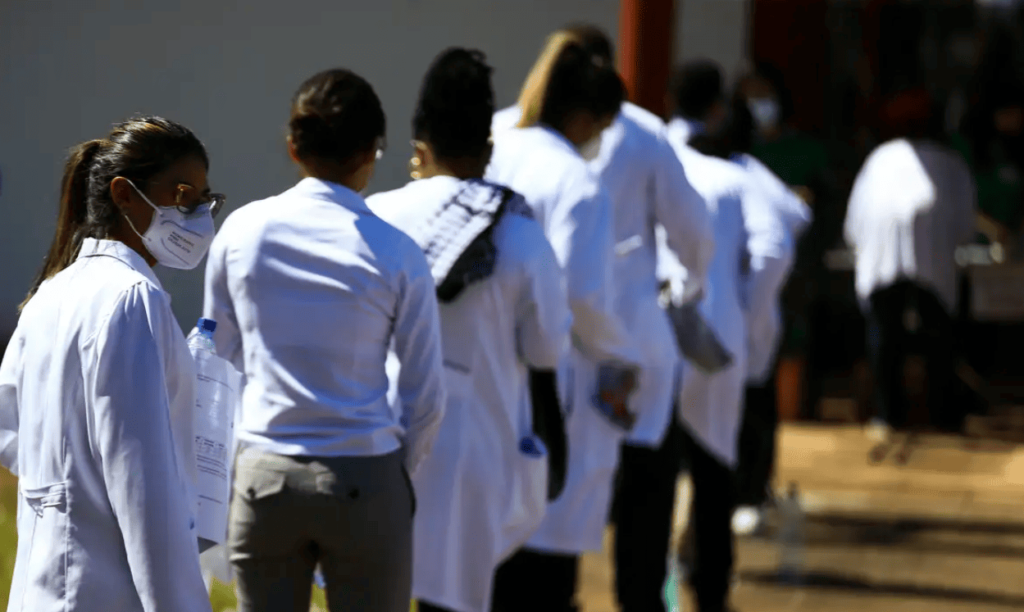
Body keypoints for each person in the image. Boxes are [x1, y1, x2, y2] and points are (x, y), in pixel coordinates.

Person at [203, 68, 446, 612]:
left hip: (264, 469)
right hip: (364, 468)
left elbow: (218, 361)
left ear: (293, 146)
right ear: (371, 153)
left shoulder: (242, 230)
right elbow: (425, 395)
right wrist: (395, 477)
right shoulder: (395, 250)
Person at [497, 25, 716, 612]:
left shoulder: (498, 132)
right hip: (616, 351)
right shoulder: (637, 136)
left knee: (520, 520)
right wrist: (684, 290)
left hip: (513, 357)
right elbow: (693, 233)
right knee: (638, 513)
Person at [365, 48, 572, 612]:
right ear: (487, 149)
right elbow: (548, 351)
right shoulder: (522, 235)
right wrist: (555, 449)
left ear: (417, 149)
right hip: (476, 451)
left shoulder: (373, 217)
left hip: (374, 441)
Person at [0, 116, 222, 611]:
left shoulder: (46, 297)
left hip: (43, 589)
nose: (199, 215)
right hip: (105, 591)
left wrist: (66, 483)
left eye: (206, 200)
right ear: (124, 194)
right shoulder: (132, 298)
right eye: (184, 195)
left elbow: (10, 435)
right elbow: (144, 489)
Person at [485, 30, 642, 612]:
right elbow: (582, 297)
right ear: (588, 118)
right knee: (545, 554)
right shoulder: (576, 181)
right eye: (601, 130)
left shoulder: (495, 142)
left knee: (481, 559)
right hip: (546, 380)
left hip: (476, 369)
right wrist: (623, 354)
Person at [663, 60, 791, 612]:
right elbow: (775, 247)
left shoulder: (648, 160)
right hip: (712, 338)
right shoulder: (738, 178)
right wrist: (748, 317)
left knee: (653, 469)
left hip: (652, 333)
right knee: (714, 464)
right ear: (719, 110)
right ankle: (710, 588)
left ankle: (649, 586)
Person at [844, 87, 977, 461]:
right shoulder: (951, 163)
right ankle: (941, 414)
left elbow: (855, 220)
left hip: (883, 258)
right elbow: (965, 223)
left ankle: (888, 414)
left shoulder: (879, 160)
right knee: (938, 334)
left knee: (885, 335)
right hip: (933, 257)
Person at [726, 92, 812, 535]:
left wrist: (751, 300)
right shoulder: (748, 175)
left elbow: (784, 235)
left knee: (752, 403)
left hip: (746, 308)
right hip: (744, 309)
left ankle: (750, 492)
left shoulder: (743, 175)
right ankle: (743, 492)